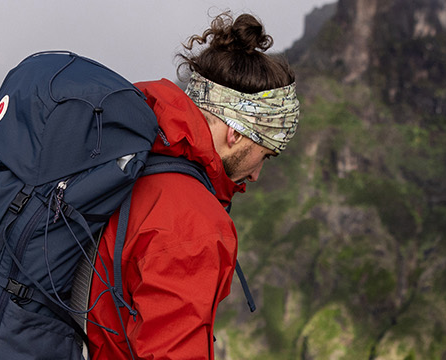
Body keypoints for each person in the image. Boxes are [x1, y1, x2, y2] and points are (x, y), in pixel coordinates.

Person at [84, 12, 300, 360]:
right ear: (236, 132)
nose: (257, 174)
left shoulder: (130, 153)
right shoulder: (191, 220)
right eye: (265, 154)